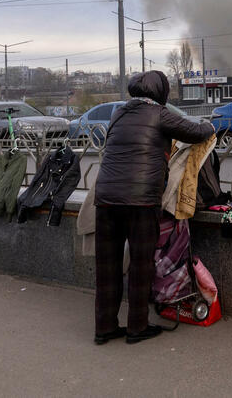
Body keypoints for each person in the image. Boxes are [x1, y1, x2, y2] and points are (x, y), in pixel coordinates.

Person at [92, 70, 214, 345]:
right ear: (160, 93)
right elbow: (195, 132)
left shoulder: (118, 114)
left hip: (106, 199)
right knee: (140, 265)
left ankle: (104, 327)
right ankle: (137, 327)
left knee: (107, 266)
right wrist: (209, 125)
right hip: (140, 201)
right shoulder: (159, 113)